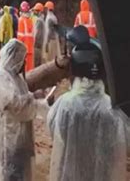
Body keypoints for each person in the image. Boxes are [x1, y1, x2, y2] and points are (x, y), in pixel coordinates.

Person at [47, 26, 128, 181]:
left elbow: (54, 132)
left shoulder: (64, 105)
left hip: (70, 173)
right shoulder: (113, 109)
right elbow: (125, 142)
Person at [0, 39, 48, 181]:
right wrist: (33, 99)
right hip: (7, 135)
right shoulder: (0, 75)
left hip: (20, 136)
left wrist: (35, 99)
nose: (23, 64)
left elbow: (23, 98)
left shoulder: (16, 77)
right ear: (14, 58)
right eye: (22, 60)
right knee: (8, 172)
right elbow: (12, 102)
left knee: (21, 172)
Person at [17, 1, 35, 72]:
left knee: (25, 70)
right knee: (30, 69)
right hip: (31, 48)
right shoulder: (30, 20)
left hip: (24, 49)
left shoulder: (21, 20)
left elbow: (20, 37)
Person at [32, 3, 45, 67]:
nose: (34, 12)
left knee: (36, 64)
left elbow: (37, 34)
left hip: (37, 46)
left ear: (39, 11)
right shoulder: (42, 20)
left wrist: (33, 44)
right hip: (40, 45)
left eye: (36, 10)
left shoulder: (39, 21)